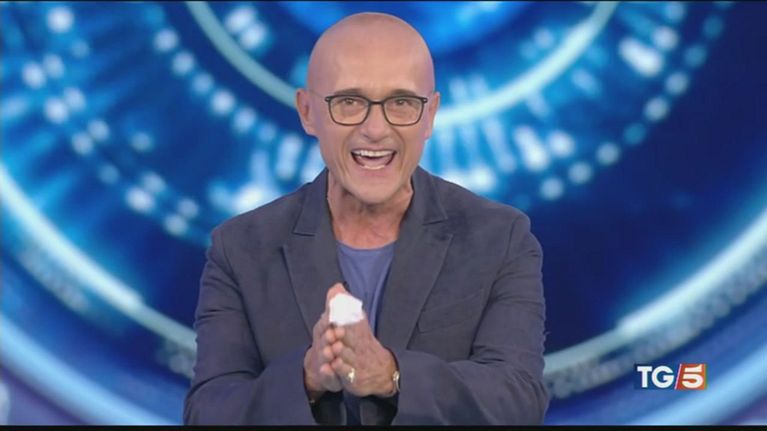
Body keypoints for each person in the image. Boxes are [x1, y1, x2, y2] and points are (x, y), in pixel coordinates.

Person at [184, 12, 548, 425]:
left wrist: (391, 375)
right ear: (307, 111)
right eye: (349, 102)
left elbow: (518, 401)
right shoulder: (240, 248)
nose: (376, 129)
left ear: (430, 115)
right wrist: (307, 379)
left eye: (401, 103)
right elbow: (208, 413)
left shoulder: (500, 239)